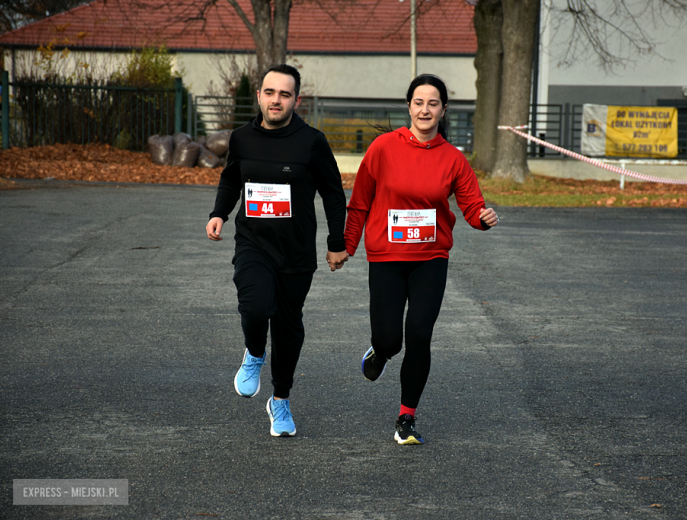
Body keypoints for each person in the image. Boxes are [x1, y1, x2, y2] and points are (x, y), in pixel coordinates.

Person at [344, 74, 499, 445]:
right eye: (418, 102)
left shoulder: (453, 159)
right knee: (390, 339)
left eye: (433, 103)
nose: (425, 109)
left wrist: (481, 218)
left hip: (430, 256)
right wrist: (346, 246)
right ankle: (380, 352)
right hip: (386, 255)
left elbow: (471, 204)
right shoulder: (383, 148)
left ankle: (406, 418)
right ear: (409, 106)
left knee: (419, 335)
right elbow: (360, 200)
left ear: (443, 110)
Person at [206, 64, 349, 437]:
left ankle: (280, 400)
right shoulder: (241, 138)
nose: (276, 100)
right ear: (259, 96)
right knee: (255, 306)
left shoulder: (312, 141)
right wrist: (219, 213)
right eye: (270, 92)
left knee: (288, 329)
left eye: (285, 94)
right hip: (253, 243)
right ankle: (254, 353)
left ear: (296, 100)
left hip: (297, 253)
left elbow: (334, 193)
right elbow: (230, 178)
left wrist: (338, 243)